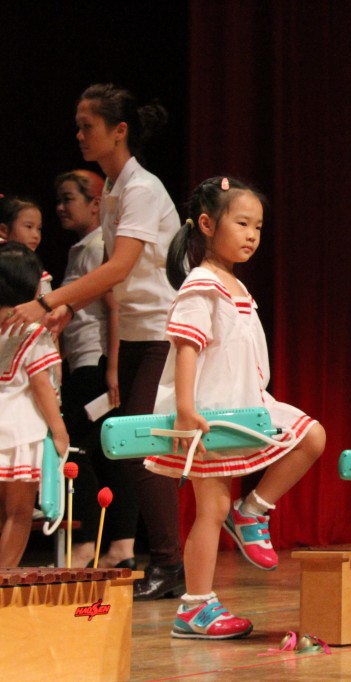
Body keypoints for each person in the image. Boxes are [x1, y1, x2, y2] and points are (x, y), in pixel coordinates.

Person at [0, 83, 184, 599]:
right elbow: (108, 274)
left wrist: (47, 302)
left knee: (144, 447)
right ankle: (164, 561)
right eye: (78, 126)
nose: (79, 134)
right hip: (136, 335)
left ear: (119, 131)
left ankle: (169, 564)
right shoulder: (116, 191)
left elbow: (121, 266)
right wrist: (67, 308)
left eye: (88, 126)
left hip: (163, 332)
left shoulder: (142, 189)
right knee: (127, 447)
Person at [144, 176, 325, 639]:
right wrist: (186, 410)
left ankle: (253, 509)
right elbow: (187, 348)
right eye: (242, 223)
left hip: (246, 403)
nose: (252, 235)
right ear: (207, 224)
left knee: (312, 436)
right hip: (210, 412)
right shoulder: (202, 284)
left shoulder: (234, 285)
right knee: (211, 507)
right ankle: (195, 606)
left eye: (258, 227)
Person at [53, 169, 126, 568]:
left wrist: (112, 369)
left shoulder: (100, 246)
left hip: (95, 364)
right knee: (99, 455)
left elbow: (115, 310)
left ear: (95, 204)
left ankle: (87, 544)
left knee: (75, 450)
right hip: (81, 363)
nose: (61, 207)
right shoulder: (80, 248)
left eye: (69, 198)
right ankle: (118, 547)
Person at [0, 243, 67, 566]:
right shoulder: (31, 332)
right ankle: (3, 577)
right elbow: (42, 385)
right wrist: (59, 430)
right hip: (21, 433)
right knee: (19, 513)